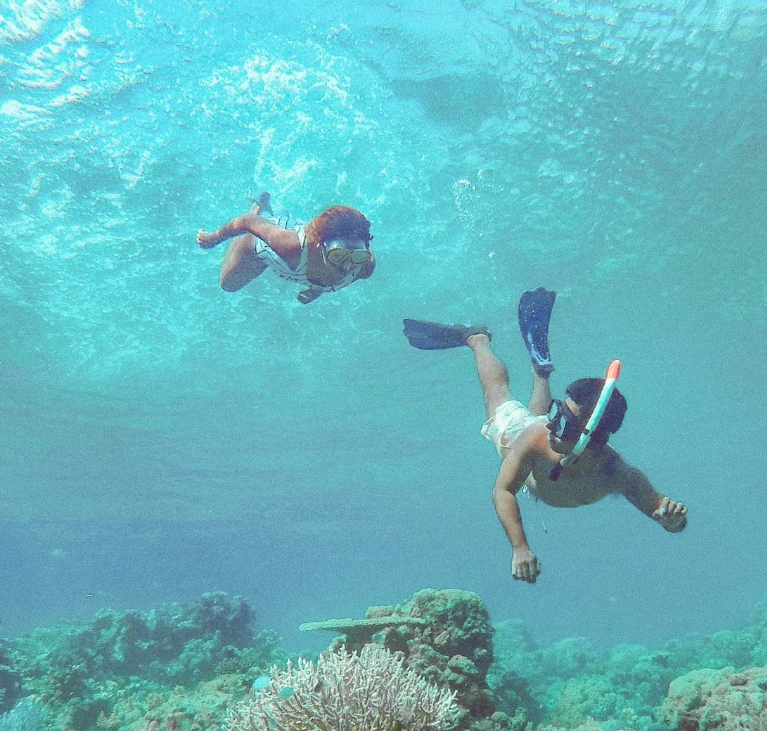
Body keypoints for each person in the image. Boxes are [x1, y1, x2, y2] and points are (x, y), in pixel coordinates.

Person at [403, 289, 687, 583]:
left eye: (561, 423)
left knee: (535, 420)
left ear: (592, 439)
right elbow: (503, 490)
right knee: (496, 396)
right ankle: (477, 339)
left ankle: (541, 372)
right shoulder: (536, 438)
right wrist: (519, 547)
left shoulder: (619, 474)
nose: (551, 425)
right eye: (556, 412)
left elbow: (664, 514)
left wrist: (673, 521)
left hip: (540, 455)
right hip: (518, 439)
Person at [196, 194, 375, 304]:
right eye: (338, 255)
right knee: (228, 285)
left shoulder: (363, 266)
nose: (347, 265)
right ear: (320, 246)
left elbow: (339, 267)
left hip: (296, 236)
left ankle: (278, 211)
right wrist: (213, 238)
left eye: (357, 255)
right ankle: (260, 208)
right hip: (259, 244)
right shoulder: (289, 246)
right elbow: (246, 222)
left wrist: (317, 289)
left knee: (285, 222)